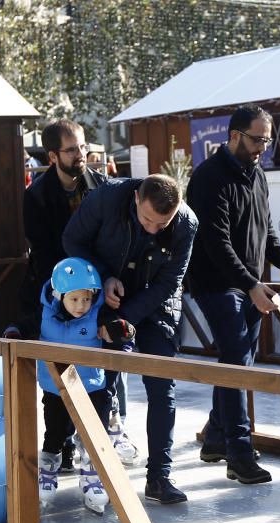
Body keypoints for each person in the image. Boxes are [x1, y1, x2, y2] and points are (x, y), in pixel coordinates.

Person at [186, 104, 280, 484]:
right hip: (217, 284)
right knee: (239, 362)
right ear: (235, 135)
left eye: (267, 141)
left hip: (248, 283)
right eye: (257, 140)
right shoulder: (209, 178)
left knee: (236, 359)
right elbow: (215, 243)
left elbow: (265, 230)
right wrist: (251, 284)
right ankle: (239, 454)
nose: (263, 148)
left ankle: (216, 437)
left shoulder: (257, 174)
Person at [63, 174, 198, 503]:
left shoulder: (186, 223)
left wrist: (126, 320)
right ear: (137, 198)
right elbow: (72, 241)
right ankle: (98, 472)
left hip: (156, 303)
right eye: (148, 220)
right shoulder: (107, 198)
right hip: (107, 295)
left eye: (162, 223)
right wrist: (103, 278)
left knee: (162, 387)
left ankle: (159, 477)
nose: (154, 229)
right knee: (101, 386)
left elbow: (171, 282)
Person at [18, 119, 118, 470]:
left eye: (82, 147)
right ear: (52, 155)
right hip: (59, 293)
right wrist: (62, 295)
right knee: (58, 377)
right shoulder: (37, 196)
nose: (81, 155)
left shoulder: (100, 185)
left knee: (102, 373)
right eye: (72, 149)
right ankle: (58, 444)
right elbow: (43, 252)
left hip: (98, 291)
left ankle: (101, 437)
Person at [37, 257, 133, 514]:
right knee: (55, 433)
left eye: (87, 299)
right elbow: (23, 327)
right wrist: (13, 332)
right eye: (74, 299)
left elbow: (117, 329)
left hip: (93, 388)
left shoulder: (98, 315)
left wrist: (121, 331)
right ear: (59, 296)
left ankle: (92, 478)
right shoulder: (45, 314)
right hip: (55, 389)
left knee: (94, 436)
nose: (81, 306)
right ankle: (47, 472)